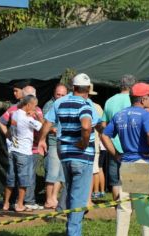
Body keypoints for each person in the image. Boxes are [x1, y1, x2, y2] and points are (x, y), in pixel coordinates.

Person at [38, 73, 96, 235]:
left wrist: (41, 140)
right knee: (78, 198)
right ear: (88, 89)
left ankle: (71, 228)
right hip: (82, 157)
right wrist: (84, 143)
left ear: (73, 87)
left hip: (65, 153)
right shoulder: (86, 105)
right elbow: (87, 126)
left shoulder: (60, 103)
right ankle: (73, 232)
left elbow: (48, 123)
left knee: (71, 192)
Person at [101, 82, 149, 236]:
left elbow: (104, 135)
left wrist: (116, 154)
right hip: (141, 162)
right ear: (143, 98)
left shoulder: (119, 114)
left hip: (125, 163)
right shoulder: (146, 115)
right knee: (144, 205)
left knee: (124, 205)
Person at [0, 85, 44, 210]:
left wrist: (9, 135)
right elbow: (43, 127)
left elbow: (8, 125)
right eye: (34, 106)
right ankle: (19, 205)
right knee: (24, 179)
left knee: (11, 177)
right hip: (24, 152)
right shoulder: (28, 119)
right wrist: (37, 116)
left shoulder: (15, 113)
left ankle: (6, 203)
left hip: (13, 150)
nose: (35, 108)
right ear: (28, 105)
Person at [102, 74, 136, 201]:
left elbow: (103, 124)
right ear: (132, 86)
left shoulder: (109, 101)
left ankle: (117, 203)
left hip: (113, 145)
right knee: (131, 176)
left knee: (115, 178)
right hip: (131, 144)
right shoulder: (134, 100)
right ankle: (129, 203)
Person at [42, 83, 68, 209]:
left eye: (63, 94)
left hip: (64, 142)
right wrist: (52, 129)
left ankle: (54, 198)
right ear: (54, 93)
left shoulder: (66, 104)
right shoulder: (49, 105)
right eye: (58, 94)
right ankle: (48, 199)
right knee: (52, 173)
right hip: (52, 142)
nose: (60, 96)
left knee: (61, 173)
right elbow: (44, 121)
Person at [87, 83, 104, 204]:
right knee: (95, 170)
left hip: (88, 143)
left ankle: (90, 197)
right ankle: (93, 194)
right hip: (95, 143)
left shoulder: (92, 107)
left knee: (92, 170)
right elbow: (102, 125)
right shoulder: (97, 107)